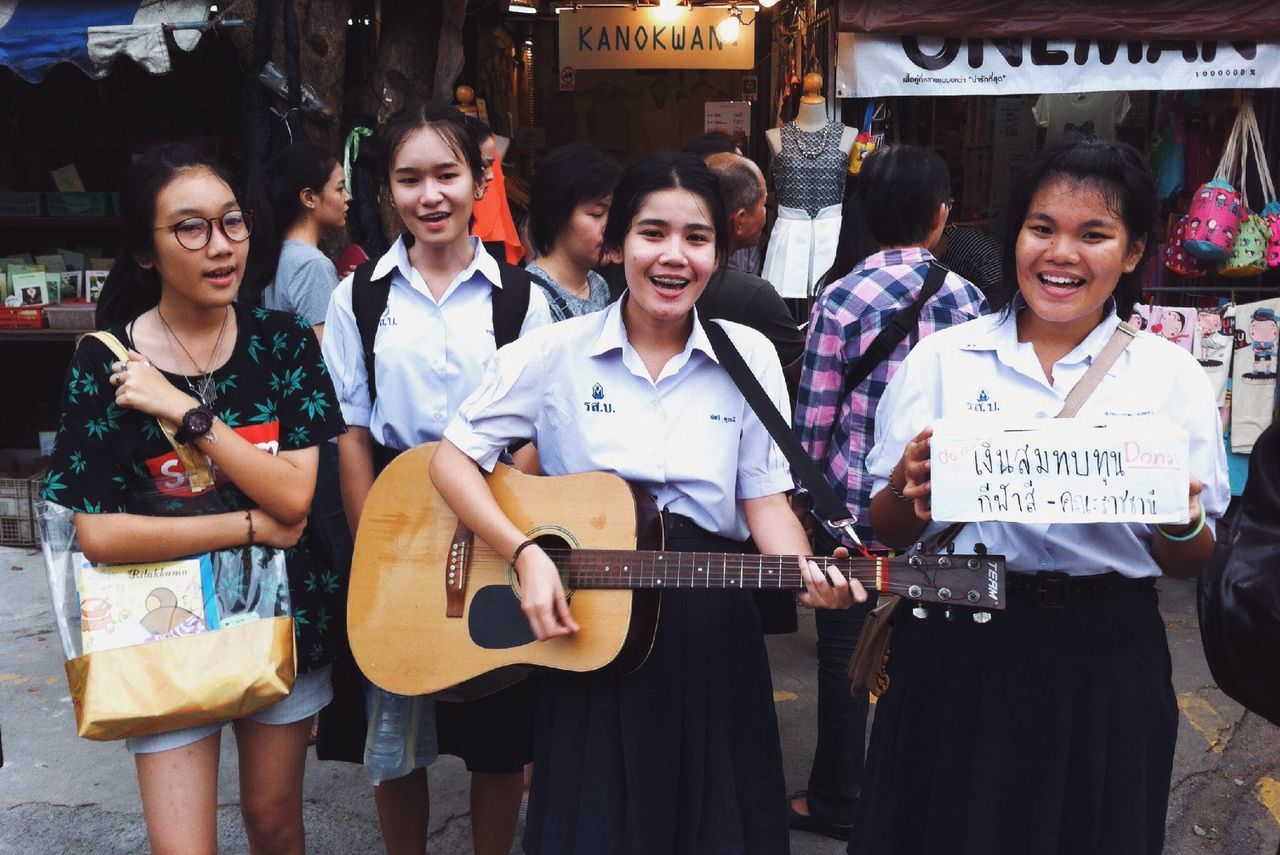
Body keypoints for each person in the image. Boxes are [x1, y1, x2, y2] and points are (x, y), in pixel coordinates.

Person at [428, 152, 864, 855]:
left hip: (713, 633)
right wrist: (524, 552)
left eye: (696, 238)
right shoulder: (553, 355)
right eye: (651, 232)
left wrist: (807, 571)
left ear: (721, 253)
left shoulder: (746, 355)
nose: (673, 256)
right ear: (615, 244)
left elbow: (767, 503)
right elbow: (452, 459)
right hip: (591, 630)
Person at [853, 136, 1229, 855]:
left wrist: (1182, 524)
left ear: (1131, 251)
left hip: (1105, 658)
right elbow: (889, 527)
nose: (1062, 254)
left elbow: (1189, 560)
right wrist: (907, 484)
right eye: (1042, 228)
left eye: (1094, 234)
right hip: (956, 641)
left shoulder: (1169, 375)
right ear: (1013, 237)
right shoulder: (943, 359)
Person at [44, 143, 345, 854]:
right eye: (190, 228)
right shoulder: (106, 362)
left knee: (274, 822)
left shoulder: (283, 344)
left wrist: (186, 412)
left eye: (232, 223)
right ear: (145, 253)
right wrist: (246, 523)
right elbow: (101, 534)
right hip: (160, 628)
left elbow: (296, 499)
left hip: (282, 616)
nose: (220, 247)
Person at [320, 100, 550, 855]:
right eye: (410, 178)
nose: (431, 195)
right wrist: (372, 548)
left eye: (447, 174)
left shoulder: (522, 299)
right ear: (388, 190)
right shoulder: (360, 296)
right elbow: (352, 429)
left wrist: (513, 530)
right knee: (398, 719)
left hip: (497, 512)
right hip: (397, 519)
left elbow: (534, 434)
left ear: (481, 177)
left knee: (499, 727)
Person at [789, 144, 987, 841]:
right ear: (940, 218)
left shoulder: (838, 295)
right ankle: (923, 788)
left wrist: (807, 502)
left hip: (850, 510)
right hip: (936, 510)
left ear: (865, 215)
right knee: (928, 658)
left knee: (848, 659)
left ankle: (838, 795)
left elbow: (813, 414)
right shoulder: (969, 298)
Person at [244, 141, 354, 630]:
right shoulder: (311, 266)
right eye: (340, 187)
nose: (348, 197)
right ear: (309, 198)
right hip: (312, 437)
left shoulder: (269, 257)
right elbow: (320, 363)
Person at [525, 142, 620, 320]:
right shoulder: (530, 297)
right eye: (596, 214)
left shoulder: (598, 285)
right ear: (556, 213)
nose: (612, 225)